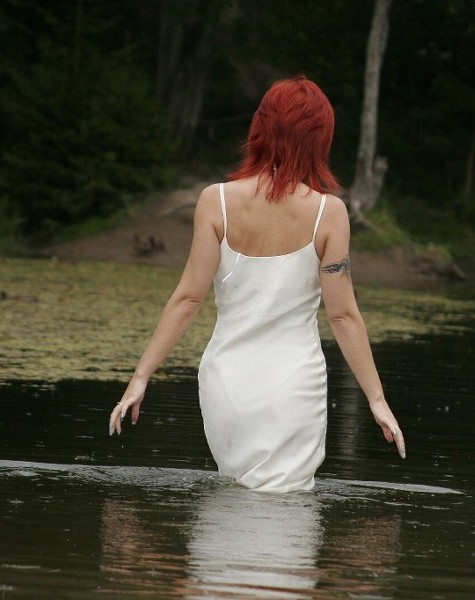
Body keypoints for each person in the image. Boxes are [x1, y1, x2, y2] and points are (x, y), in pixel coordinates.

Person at [109, 76, 406, 492]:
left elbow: (188, 299)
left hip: (226, 382)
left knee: (232, 508)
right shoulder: (329, 213)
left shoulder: (216, 201)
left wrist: (140, 377)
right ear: (319, 139)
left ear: (260, 129)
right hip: (292, 387)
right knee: (285, 518)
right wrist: (376, 399)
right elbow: (342, 315)